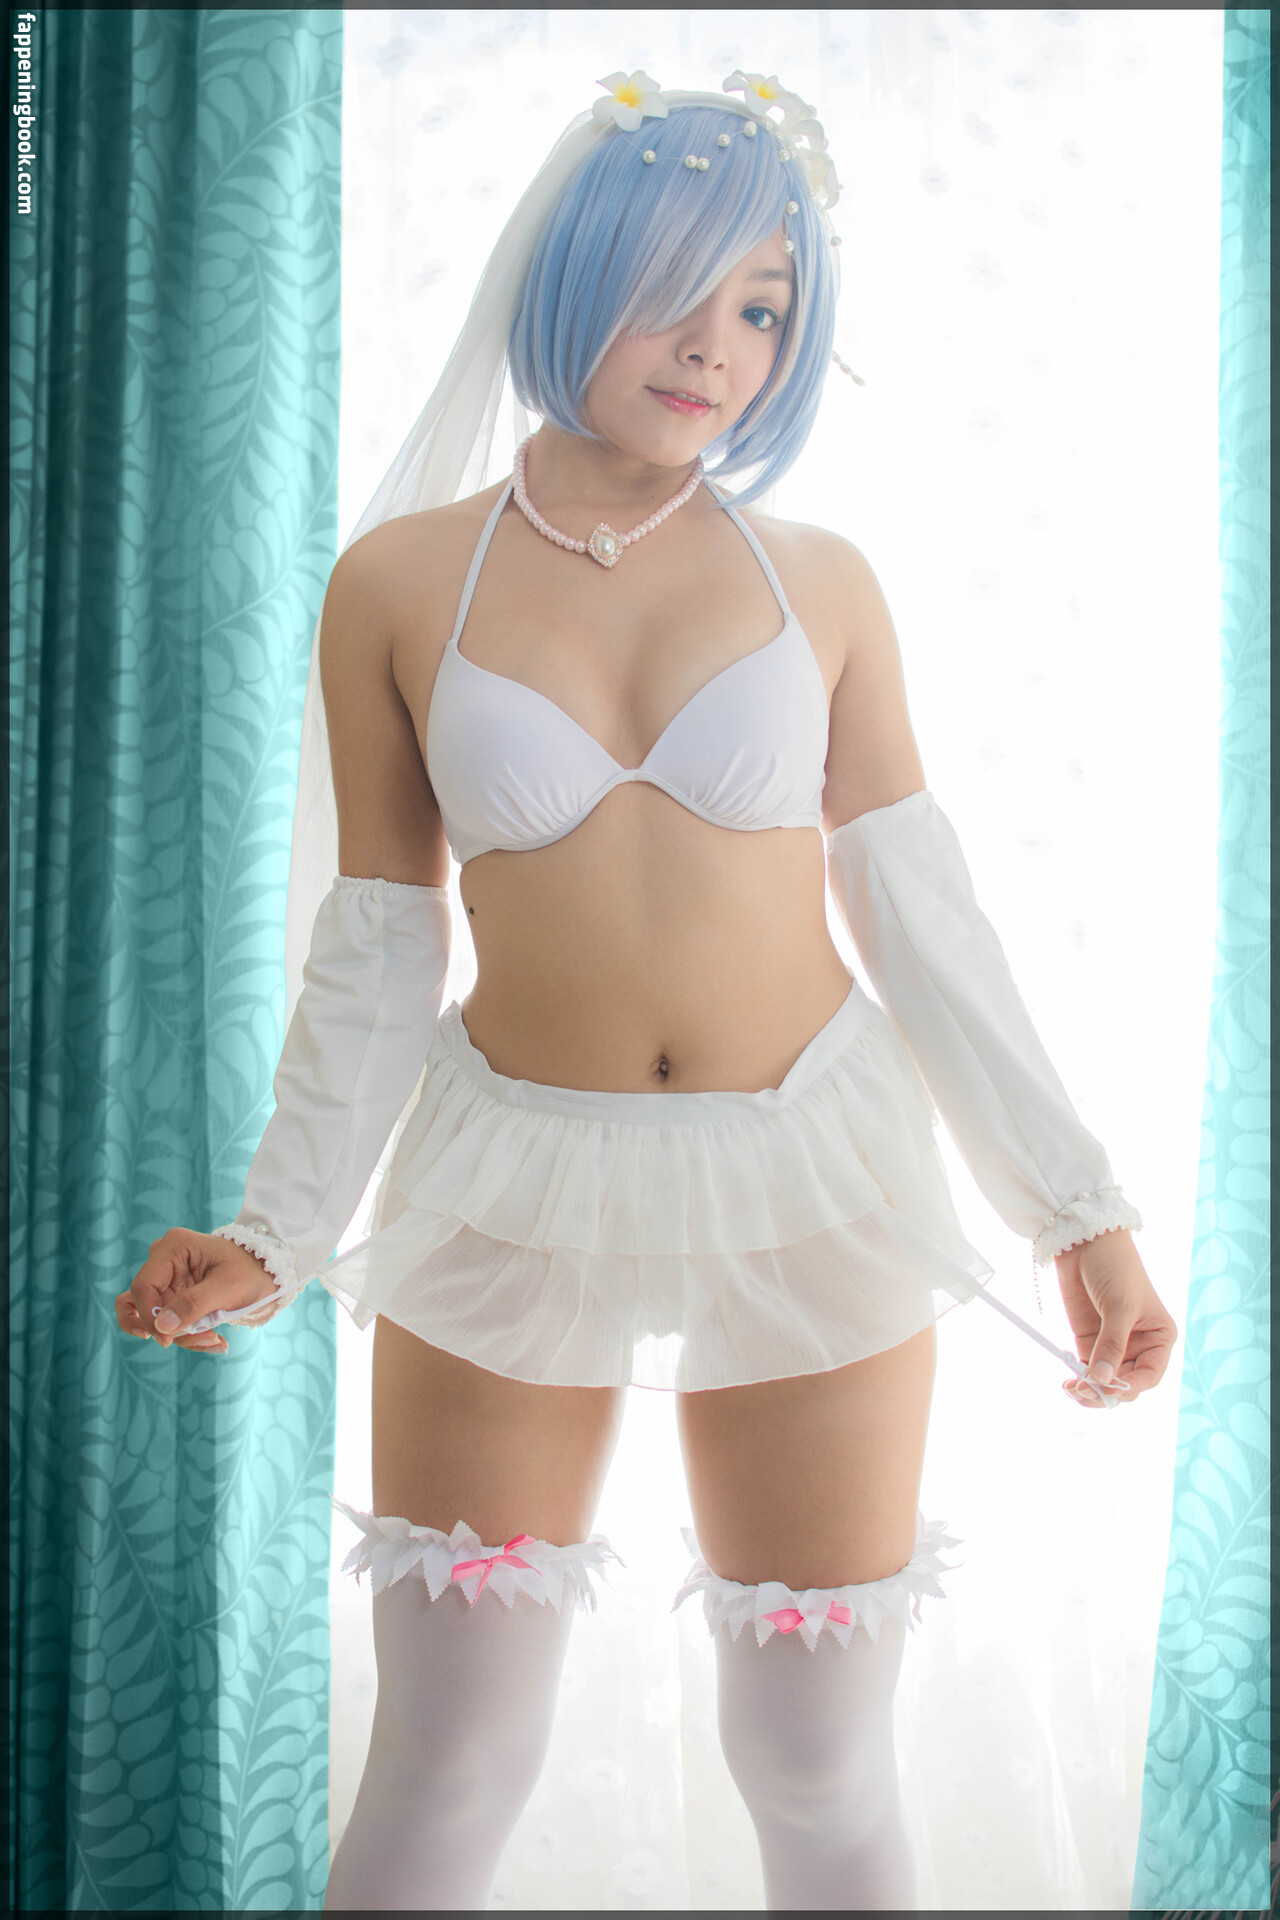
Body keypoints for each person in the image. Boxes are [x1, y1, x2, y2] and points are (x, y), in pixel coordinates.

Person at [117, 72, 1177, 1913]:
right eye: (674, 292)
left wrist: (1076, 1213)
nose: (714, 350)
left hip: (815, 1173)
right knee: (451, 1752)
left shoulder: (824, 584)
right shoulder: (397, 584)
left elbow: (920, 914)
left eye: (762, 308)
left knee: (816, 1761)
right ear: (569, 274)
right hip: (510, 1183)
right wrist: (277, 1234)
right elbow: (381, 941)